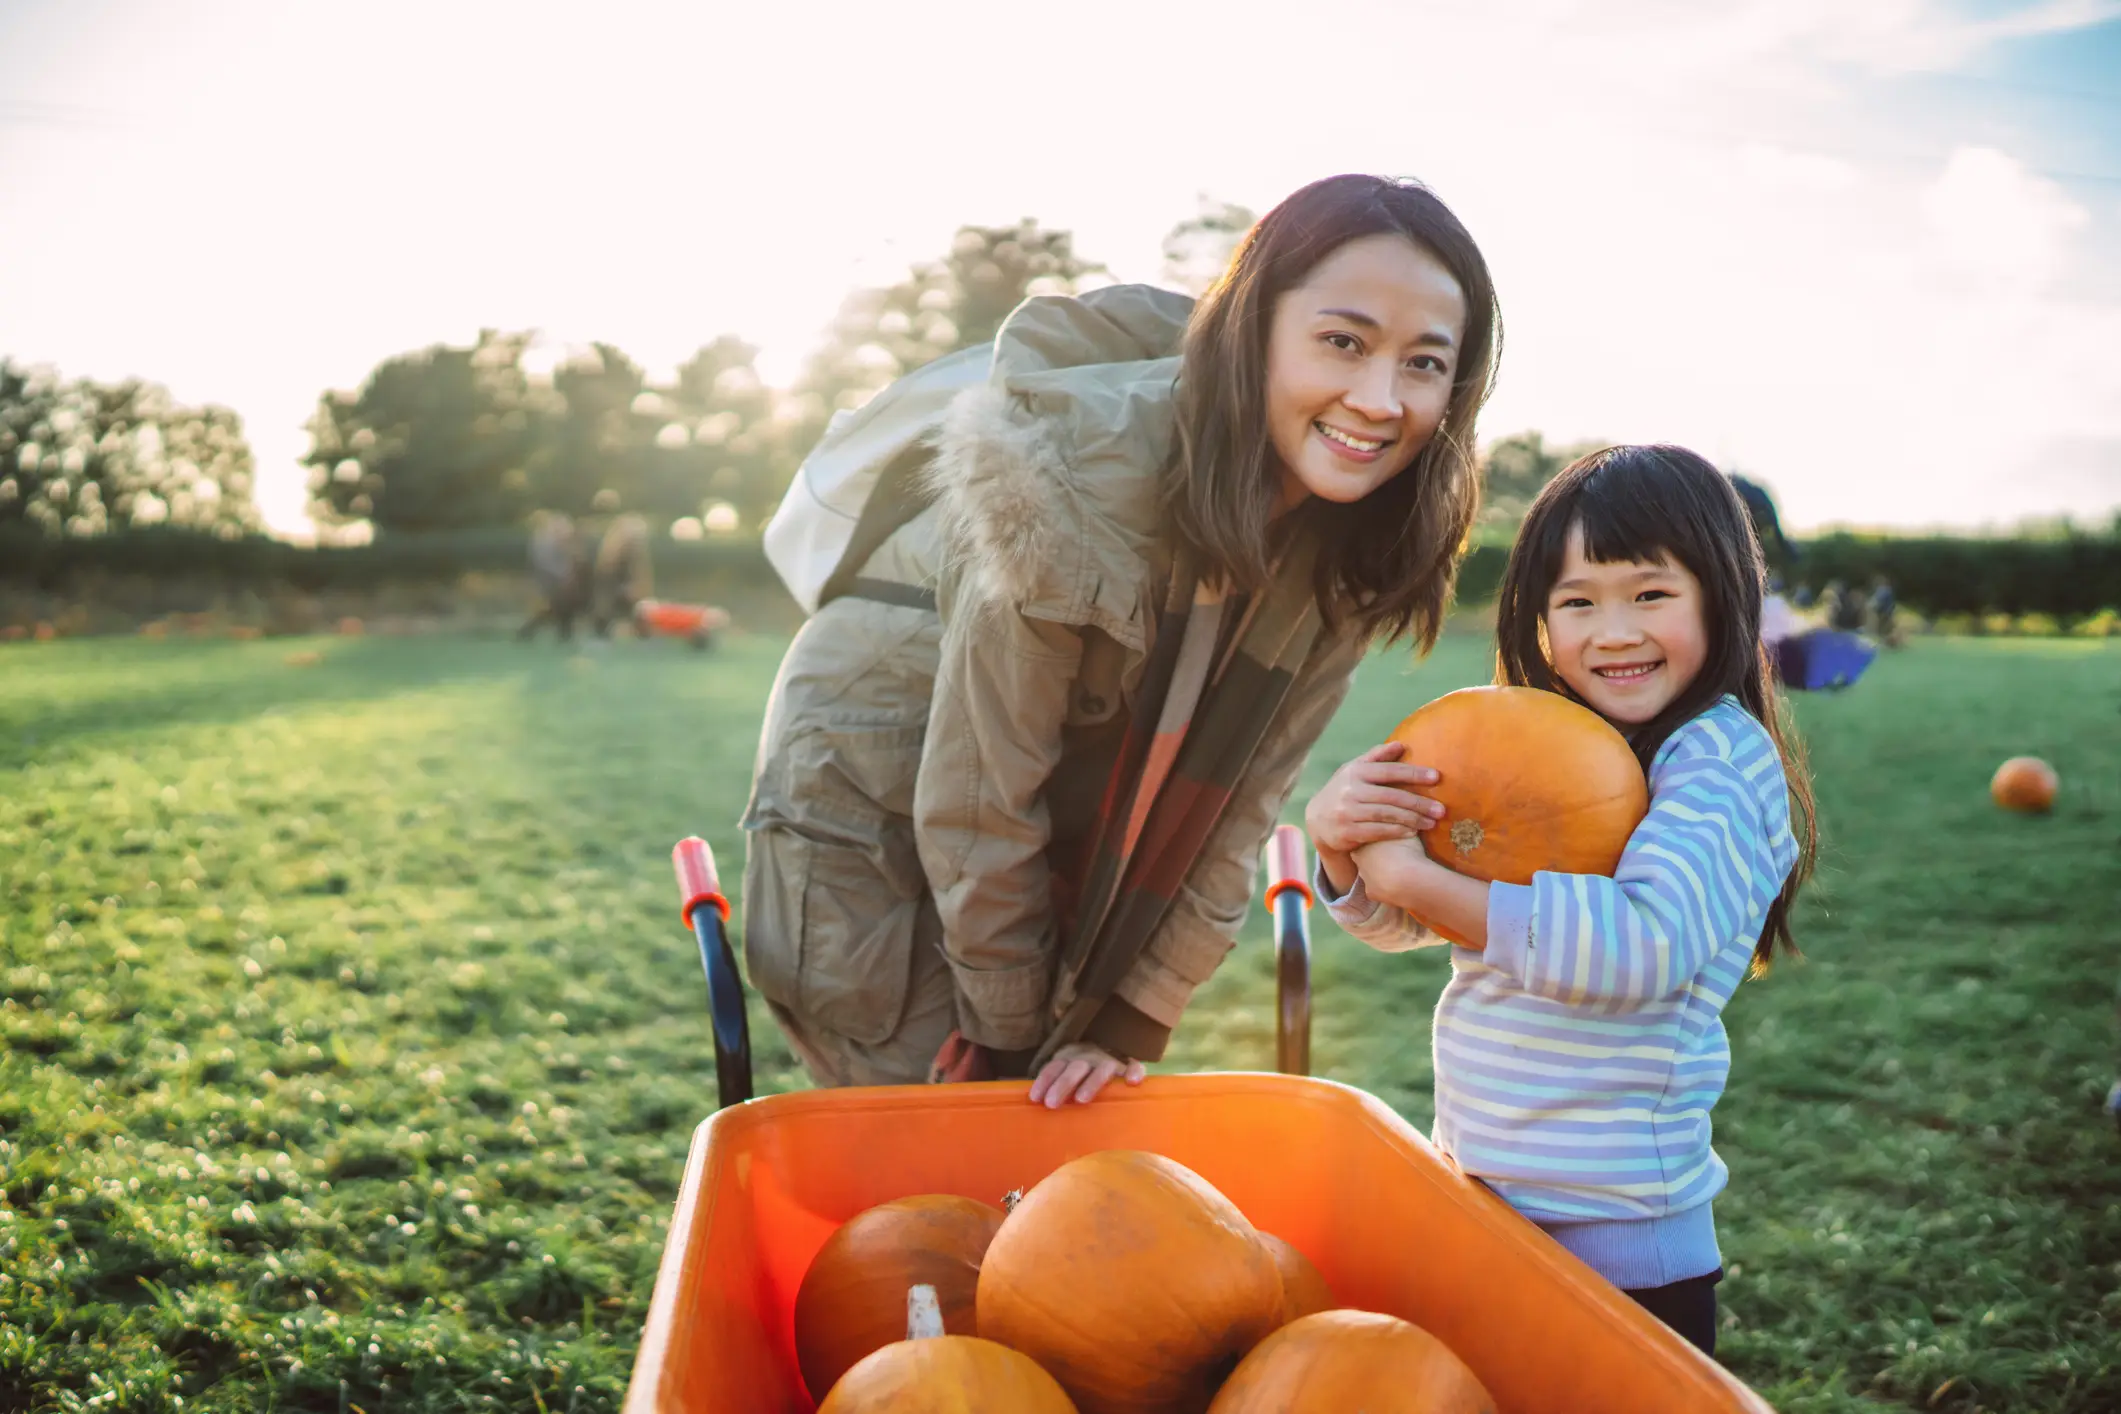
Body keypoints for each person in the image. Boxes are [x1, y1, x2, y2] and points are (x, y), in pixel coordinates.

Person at [740, 174, 1503, 1104]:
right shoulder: (1069, 479)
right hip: (876, 782)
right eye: (1341, 342)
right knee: (937, 1135)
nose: (1380, 400)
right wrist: (1007, 1029)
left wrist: (1128, 1014)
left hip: (1028, 805)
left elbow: (1239, 808)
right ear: (1252, 328)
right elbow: (982, 791)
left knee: (1051, 1117)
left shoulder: (1351, 544)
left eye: (1424, 363)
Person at [1303, 445, 1818, 1358]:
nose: (1611, 631)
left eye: (1649, 595)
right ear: (1536, 618)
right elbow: (1419, 920)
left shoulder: (1716, 763)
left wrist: (1417, 877)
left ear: (1722, 595)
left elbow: (1641, 949)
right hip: (1481, 1198)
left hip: (1616, 1245)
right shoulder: (1538, 740)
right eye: (1576, 602)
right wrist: (1346, 848)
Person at [518, 510, 590, 641]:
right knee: (557, 607)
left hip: (558, 579)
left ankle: (559, 634)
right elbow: (546, 565)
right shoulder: (544, 541)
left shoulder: (549, 536)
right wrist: (565, 576)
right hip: (553, 580)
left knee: (559, 608)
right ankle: (530, 631)